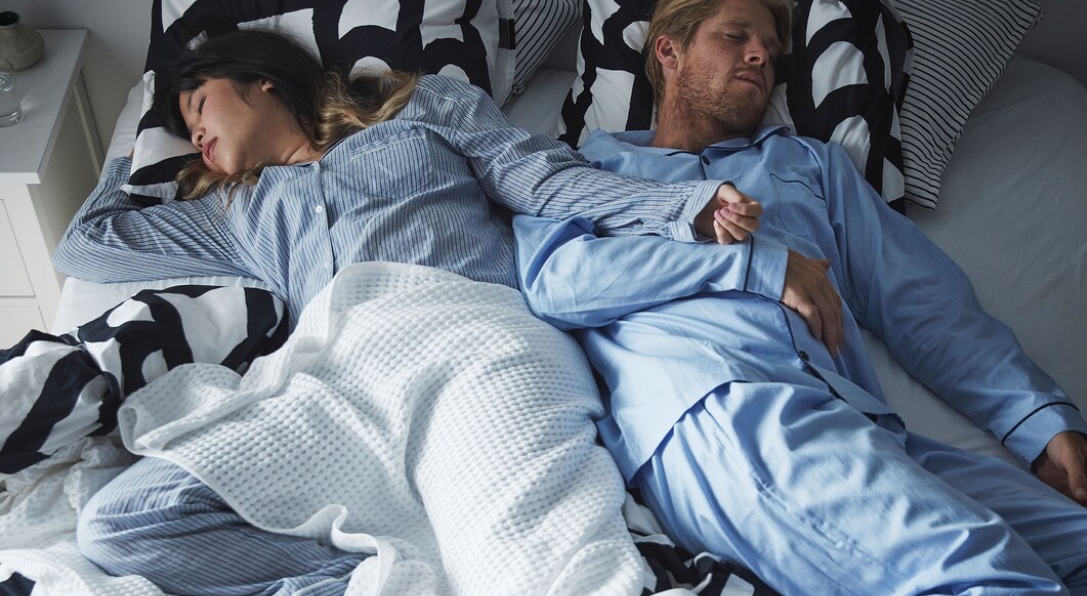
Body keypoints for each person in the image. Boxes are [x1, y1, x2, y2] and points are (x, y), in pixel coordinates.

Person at [52, 29, 760, 595]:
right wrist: (135, 145)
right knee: (122, 522)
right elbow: (86, 246)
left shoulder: (418, 109)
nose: (197, 138)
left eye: (199, 107)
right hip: (333, 383)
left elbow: (540, 179)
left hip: (472, 348)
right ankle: (381, 578)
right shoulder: (236, 211)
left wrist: (683, 208)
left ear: (259, 78)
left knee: (542, 571)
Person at [513, 0, 1087, 593]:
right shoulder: (589, 169)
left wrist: (1038, 421)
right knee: (989, 574)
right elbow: (560, 281)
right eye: (736, 36)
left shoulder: (810, 164)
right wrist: (755, 263)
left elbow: (923, 303)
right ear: (670, 51)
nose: (760, 56)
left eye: (770, 49)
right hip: (722, 406)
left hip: (861, 423)